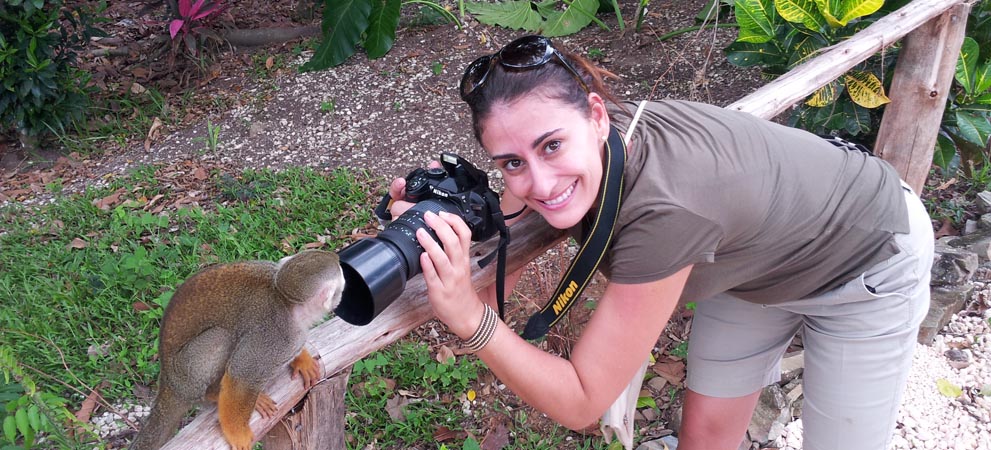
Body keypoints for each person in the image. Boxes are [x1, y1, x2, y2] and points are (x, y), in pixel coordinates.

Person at [386, 35, 934, 450]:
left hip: (867, 260)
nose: (540, 183)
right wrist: (457, 209)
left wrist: (469, 322)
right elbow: (501, 271)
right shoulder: (599, 130)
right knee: (706, 437)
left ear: (596, 117)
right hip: (753, 269)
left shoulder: (667, 212)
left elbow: (581, 399)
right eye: (511, 163)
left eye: (551, 146)